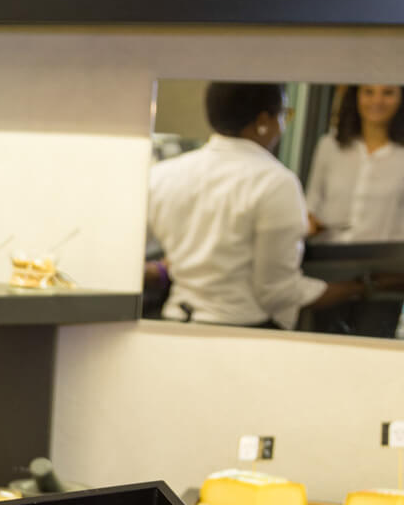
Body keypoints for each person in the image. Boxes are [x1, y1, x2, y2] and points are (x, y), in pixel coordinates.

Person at [147, 82, 366, 328]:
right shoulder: (275, 182)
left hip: (173, 323)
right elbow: (278, 292)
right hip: (241, 330)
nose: (282, 126)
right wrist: (358, 287)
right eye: (284, 115)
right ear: (263, 121)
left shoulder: (163, 175)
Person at [306, 84, 404, 243]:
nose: (377, 101)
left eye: (388, 93)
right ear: (356, 96)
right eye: (369, 92)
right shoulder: (330, 146)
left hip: (385, 256)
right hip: (326, 250)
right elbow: (312, 204)